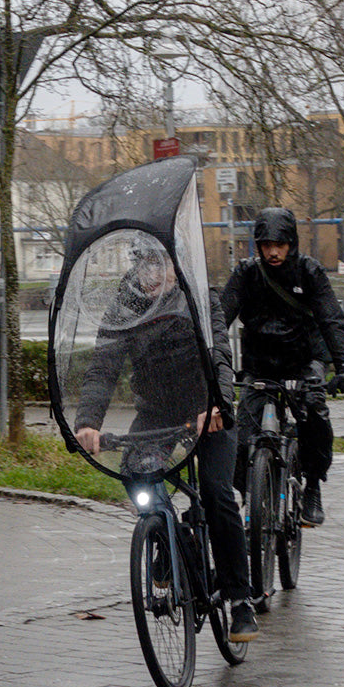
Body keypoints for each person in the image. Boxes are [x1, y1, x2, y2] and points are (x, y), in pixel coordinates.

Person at [73, 245, 259, 642]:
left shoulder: (199, 295)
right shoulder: (125, 304)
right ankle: (169, 534)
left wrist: (218, 406)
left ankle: (240, 599)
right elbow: (103, 365)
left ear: (177, 266)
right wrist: (88, 421)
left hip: (208, 407)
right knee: (136, 472)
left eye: (161, 264)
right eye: (145, 265)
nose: (153, 274)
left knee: (215, 491)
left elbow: (220, 355)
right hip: (158, 410)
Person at [220, 207, 344, 527]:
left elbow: (331, 320)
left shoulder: (309, 272)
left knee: (313, 410)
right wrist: (210, 361)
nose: (273, 251)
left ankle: (311, 484)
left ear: (291, 243)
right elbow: (220, 319)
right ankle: (252, 491)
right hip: (260, 365)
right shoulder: (246, 274)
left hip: (303, 359)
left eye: (280, 244)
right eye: (266, 245)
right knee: (240, 436)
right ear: (258, 245)